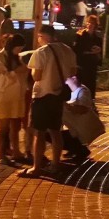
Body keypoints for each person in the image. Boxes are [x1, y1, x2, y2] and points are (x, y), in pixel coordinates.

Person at [21, 27, 76, 179]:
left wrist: (32, 71)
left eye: (39, 37)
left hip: (43, 96)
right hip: (59, 95)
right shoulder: (67, 50)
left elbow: (37, 76)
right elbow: (72, 72)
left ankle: (36, 167)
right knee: (56, 131)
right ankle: (55, 164)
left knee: (39, 132)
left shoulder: (41, 52)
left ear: (42, 36)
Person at [0, 33, 29, 165]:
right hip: (3, 97)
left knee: (15, 125)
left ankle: (16, 151)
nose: (19, 50)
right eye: (18, 48)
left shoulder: (16, 58)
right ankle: (1, 154)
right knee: (3, 127)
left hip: (16, 96)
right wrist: (16, 72)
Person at [73, 14, 103, 98]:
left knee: (91, 85)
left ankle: (91, 102)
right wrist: (89, 52)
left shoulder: (97, 38)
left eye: (92, 23)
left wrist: (98, 52)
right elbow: (76, 50)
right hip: (82, 65)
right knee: (82, 86)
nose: (90, 25)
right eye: (88, 23)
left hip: (92, 66)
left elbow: (100, 53)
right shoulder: (80, 35)